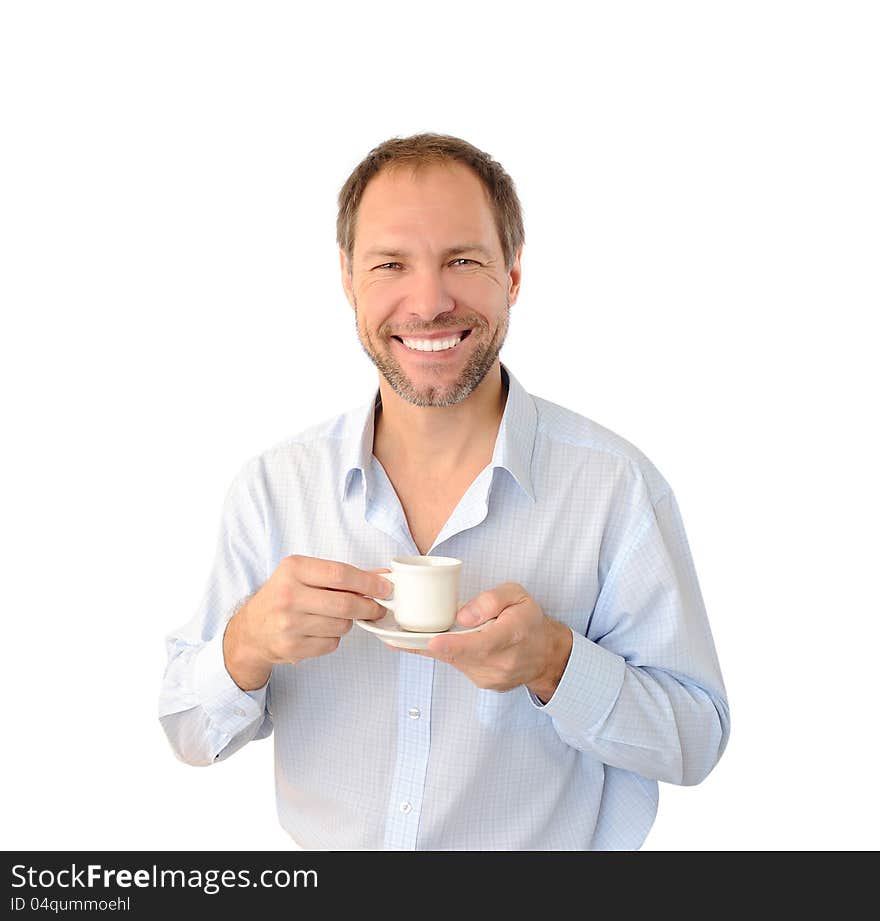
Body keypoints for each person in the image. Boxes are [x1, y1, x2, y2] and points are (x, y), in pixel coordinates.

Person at [158, 132, 730, 850]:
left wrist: (556, 662)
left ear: (513, 275)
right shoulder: (275, 490)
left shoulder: (615, 489)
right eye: (391, 263)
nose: (428, 302)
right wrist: (245, 644)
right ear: (347, 278)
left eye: (463, 260)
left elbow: (696, 739)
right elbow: (186, 729)